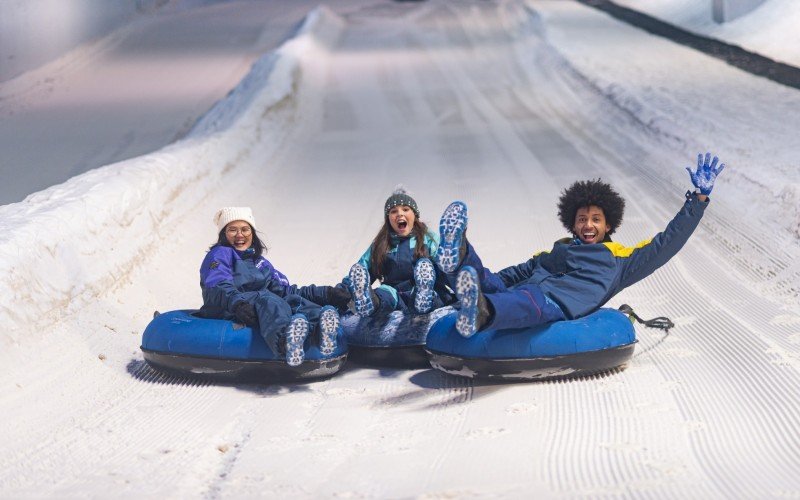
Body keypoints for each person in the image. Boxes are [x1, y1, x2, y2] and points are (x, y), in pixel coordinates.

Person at [434, 152, 726, 337]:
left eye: (596, 219)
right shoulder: (556, 250)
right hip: (523, 292)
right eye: (582, 219)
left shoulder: (619, 260)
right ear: (572, 225)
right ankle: (457, 255)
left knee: (525, 301)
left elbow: (667, 242)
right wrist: (486, 280)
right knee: (491, 281)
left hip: (553, 305)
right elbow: (514, 274)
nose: (588, 225)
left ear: (608, 224)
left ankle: (481, 313)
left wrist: (697, 200)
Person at [199, 207, 352, 366]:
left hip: (259, 308)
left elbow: (285, 290)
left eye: (245, 229)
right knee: (268, 300)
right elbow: (217, 285)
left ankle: (320, 331)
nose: (240, 235)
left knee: (293, 300)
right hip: (230, 308)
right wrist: (238, 304)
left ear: (252, 233)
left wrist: (325, 293)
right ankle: (285, 343)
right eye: (232, 230)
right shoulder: (219, 254)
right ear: (224, 234)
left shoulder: (259, 263)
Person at [346, 186, 454, 318]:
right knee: (384, 294)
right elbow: (364, 268)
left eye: (406, 209)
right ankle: (369, 303)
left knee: (434, 293)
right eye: (393, 211)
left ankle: (423, 298)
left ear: (415, 215)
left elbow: (447, 267)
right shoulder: (381, 244)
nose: (400, 214)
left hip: (427, 288)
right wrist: (344, 291)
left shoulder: (428, 238)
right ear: (388, 219)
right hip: (394, 292)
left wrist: (462, 291)